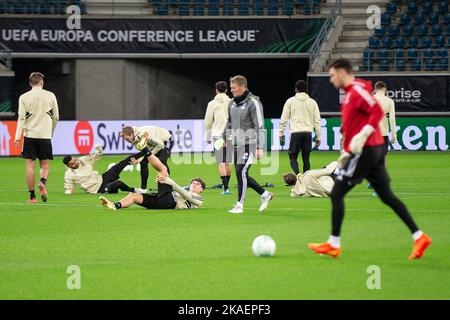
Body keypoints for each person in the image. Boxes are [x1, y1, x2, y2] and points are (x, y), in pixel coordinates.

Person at [308, 59, 431, 260]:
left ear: (341, 72)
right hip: (368, 150)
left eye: (331, 75)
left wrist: (363, 135)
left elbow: (375, 111)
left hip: (366, 150)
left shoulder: (357, 90)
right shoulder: (350, 94)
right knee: (387, 196)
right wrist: (347, 150)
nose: (331, 80)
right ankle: (419, 236)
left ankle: (334, 243)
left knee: (337, 192)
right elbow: (354, 124)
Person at [216, 75, 273, 214]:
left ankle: (239, 205)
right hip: (236, 143)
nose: (232, 91)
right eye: (231, 88)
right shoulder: (231, 103)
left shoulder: (253, 103)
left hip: (251, 143)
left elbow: (260, 125)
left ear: (243, 86)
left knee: (241, 171)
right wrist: (223, 138)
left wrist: (260, 146)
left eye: (234, 88)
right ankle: (265, 194)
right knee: (242, 173)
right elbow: (229, 123)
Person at [14, 72, 59, 203]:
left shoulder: (23, 97)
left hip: (30, 135)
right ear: (41, 82)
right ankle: (43, 183)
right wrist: (51, 130)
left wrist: (17, 136)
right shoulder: (50, 95)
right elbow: (56, 116)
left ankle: (32, 196)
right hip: (44, 135)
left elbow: (21, 118)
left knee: (29, 167)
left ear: (30, 83)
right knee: (45, 166)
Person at [63, 145, 152, 195]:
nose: (75, 163)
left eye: (74, 160)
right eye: (72, 163)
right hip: (98, 189)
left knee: (122, 163)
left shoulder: (82, 159)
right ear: (68, 165)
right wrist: (69, 191)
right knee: (118, 183)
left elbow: (98, 156)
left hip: (103, 178)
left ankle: (145, 151)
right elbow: (68, 189)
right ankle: (136, 191)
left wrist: (99, 150)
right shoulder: (68, 174)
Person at [279, 80, 321, 175]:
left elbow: (284, 118)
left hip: (296, 133)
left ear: (296, 89)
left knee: (292, 157)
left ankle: (298, 175)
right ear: (306, 90)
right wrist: (318, 136)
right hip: (308, 133)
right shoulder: (312, 102)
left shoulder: (290, 101)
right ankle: (306, 179)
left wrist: (281, 132)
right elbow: (317, 120)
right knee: (306, 158)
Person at [100, 175, 205, 211]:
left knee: (163, 174)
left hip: (171, 204)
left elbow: (187, 196)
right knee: (134, 196)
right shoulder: (182, 190)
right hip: (161, 201)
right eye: (193, 183)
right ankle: (114, 205)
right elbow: (182, 192)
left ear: (201, 190)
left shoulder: (198, 198)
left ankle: (151, 153)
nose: (194, 184)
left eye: (198, 184)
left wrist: (170, 183)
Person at [120, 125, 172, 193]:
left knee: (162, 161)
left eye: (127, 139)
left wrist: (149, 155)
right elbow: (145, 151)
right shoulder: (134, 139)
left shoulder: (143, 135)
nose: (127, 141)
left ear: (132, 134)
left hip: (165, 139)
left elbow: (160, 144)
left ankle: (168, 188)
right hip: (155, 144)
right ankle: (143, 189)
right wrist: (139, 160)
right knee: (143, 162)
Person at [368, 81, 397, 194]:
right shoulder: (389, 101)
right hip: (383, 133)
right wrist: (393, 135)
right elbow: (392, 120)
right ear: (385, 89)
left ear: (375, 89)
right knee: (382, 158)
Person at [204, 81, 232, 195]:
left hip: (218, 135)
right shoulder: (232, 102)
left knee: (221, 162)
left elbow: (208, 121)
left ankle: (225, 189)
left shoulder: (212, 103)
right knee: (228, 162)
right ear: (226, 90)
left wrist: (208, 136)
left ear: (216, 90)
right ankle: (227, 186)